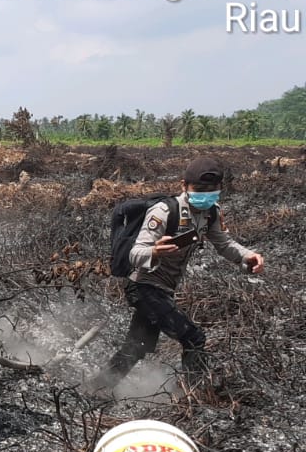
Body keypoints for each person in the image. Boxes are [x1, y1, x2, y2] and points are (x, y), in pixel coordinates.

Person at [98, 155, 265, 389]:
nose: (206, 194)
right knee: (194, 338)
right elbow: (134, 254)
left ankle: (96, 388)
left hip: (163, 290)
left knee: (136, 348)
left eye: (212, 190)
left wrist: (248, 256)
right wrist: (154, 252)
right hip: (144, 287)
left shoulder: (211, 213)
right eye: (200, 189)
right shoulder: (163, 212)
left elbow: (224, 244)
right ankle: (196, 396)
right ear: (184, 185)